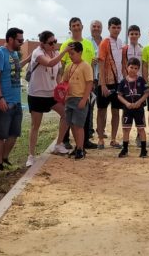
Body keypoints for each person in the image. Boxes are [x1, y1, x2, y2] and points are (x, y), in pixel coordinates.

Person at [25, 30, 70, 167]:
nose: (54, 45)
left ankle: (58, 144)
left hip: (51, 94)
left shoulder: (55, 53)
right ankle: (31, 155)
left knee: (66, 114)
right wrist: (64, 51)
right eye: (50, 43)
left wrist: (59, 88)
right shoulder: (37, 53)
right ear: (42, 44)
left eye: (55, 41)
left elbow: (56, 72)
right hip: (37, 94)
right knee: (35, 126)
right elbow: (50, 63)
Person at [58, 17, 98, 150]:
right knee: (68, 115)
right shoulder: (66, 45)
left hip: (85, 83)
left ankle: (84, 141)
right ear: (70, 28)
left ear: (82, 26)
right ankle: (65, 140)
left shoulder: (88, 44)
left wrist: (92, 83)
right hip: (70, 86)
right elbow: (62, 66)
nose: (76, 27)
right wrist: (61, 86)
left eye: (78, 25)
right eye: (73, 25)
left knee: (85, 114)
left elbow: (92, 64)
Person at [0, 28, 26, 171]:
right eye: (20, 40)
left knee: (14, 133)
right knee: (0, 134)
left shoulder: (15, 54)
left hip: (16, 101)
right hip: (4, 101)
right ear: (10, 39)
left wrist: (29, 59)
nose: (22, 43)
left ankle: (4, 158)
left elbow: (16, 70)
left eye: (23, 40)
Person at [62, 41, 94, 160]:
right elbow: (64, 81)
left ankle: (80, 149)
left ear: (80, 52)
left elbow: (89, 83)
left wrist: (84, 99)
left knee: (79, 125)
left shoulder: (86, 66)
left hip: (80, 98)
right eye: (69, 53)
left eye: (73, 53)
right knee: (72, 125)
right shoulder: (69, 66)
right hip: (69, 99)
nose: (70, 55)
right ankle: (78, 147)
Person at [97, 17, 124, 148]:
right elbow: (101, 64)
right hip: (105, 83)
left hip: (118, 83)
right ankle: (100, 139)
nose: (116, 30)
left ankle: (113, 139)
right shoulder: (104, 43)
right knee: (101, 111)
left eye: (118, 27)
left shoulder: (120, 42)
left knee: (116, 111)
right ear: (109, 28)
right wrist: (102, 84)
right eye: (113, 27)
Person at [116, 57, 149, 158]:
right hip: (127, 109)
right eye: (131, 67)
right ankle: (125, 149)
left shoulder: (141, 80)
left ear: (138, 69)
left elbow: (147, 93)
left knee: (141, 129)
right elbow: (119, 95)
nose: (133, 70)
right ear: (127, 67)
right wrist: (126, 103)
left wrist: (139, 102)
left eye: (136, 68)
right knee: (126, 129)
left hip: (138, 109)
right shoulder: (122, 82)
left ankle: (143, 150)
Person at [121, 24, 144, 146]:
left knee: (140, 109)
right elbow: (123, 64)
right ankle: (125, 136)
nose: (134, 36)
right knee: (127, 108)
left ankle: (140, 136)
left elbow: (144, 66)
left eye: (136, 34)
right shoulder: (124, 49)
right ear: (128, 35)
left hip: (140, 82)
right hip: (128, 83)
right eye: (131, 34)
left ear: (139, 35)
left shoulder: (142, 49)